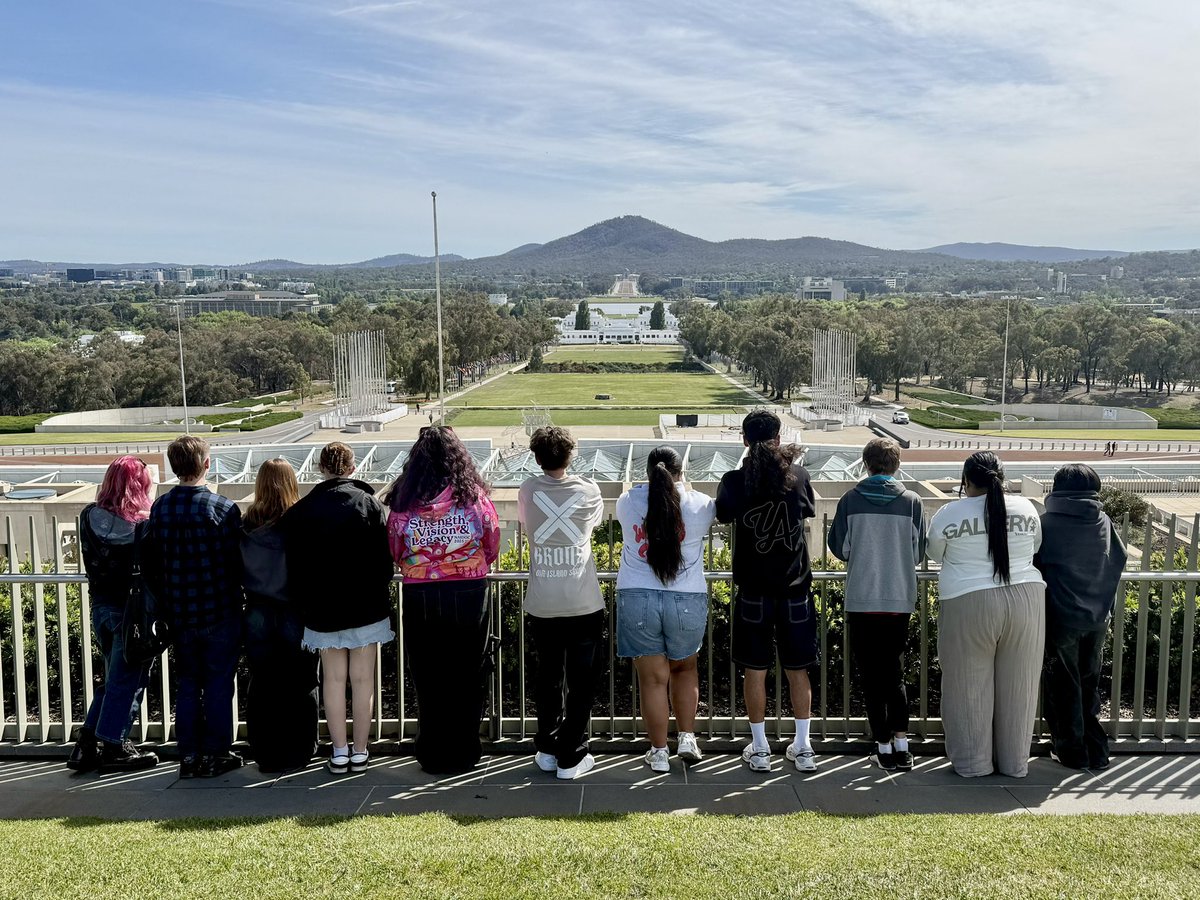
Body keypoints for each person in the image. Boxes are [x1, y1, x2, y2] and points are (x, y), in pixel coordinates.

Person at [386, 426, 500, 774]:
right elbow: (492, 540)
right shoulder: (473, 496)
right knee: (466, 671)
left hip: (419, 593)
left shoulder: (405, 500)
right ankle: (464, 749)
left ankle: (431, 750)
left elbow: (395, 545)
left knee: (427, 672)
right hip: (468, 592)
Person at [927, 451, 1045, 778]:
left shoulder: (951, 513)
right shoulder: (1027, 508)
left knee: (967, 686)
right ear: (1002, 479)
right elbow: (1035, 547)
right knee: (1020, 686)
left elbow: (934, 552)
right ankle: (1015, 763)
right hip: (1027, 599)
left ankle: (972, 763)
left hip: (968, 600)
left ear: (965, 482)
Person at [716, 410, 819, 773]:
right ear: (778, 438)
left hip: (753, 594)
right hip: (795, 592)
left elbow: (723, 515)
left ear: (744, 440)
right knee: (798, 671)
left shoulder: (733, 481)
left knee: (755, 672)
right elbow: (807, 509)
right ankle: (803, 746)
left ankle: (760, 748)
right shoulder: (799, 476)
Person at [286, 442, 394, 775]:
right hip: (365, 606)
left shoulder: (302, 511)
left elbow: (295, 567)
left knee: (332, 681)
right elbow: (385, 563)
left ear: (321, 468)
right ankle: (361, 751)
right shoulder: (369, 505)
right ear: (352, 467)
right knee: (363, 681)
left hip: (321, 609)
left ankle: (339, 751)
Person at [144, 435, 244, 778]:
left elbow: (154, 562)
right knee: (218, 683)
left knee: (188, 683)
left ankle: (188, 754)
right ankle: (217, 753)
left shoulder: (160, 508)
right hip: (220, 610)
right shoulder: (223, 509)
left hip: (180, 612)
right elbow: (237, 562)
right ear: (206, 464)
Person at [828, 438, 926, 772]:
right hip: (899, 599)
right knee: (894, 672)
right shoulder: (912, 502)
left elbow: (840, 548)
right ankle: (902, 743)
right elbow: (917, 552)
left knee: (871, 676)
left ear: (865, 464)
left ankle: (882, 745)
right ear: (896, 465)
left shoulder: (850, 501)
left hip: (862, 598)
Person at [615, 446, 715, 773]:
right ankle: (687, 738)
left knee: (653, 681)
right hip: (685, 597)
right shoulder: (700, 504)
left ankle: (658, 752)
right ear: (681, 471)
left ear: (647, 472)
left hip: (637, 596)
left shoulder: (628, 503)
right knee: (685, 670)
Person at [517, 427, 606, 780]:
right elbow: (593, 525)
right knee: (582, 682)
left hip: (543, 602)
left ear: (537, 458)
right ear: (570, 457)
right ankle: (571, 752)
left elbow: (527, 523)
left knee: (548, 679)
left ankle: (548, 749)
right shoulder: (588, 490)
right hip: (582, 600)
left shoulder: (527, 490)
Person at [70, 456, 160, 774]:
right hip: (131, 615)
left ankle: (86, 745)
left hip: (100, 608)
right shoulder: (142, 527)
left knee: (112, 679)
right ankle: (114, 745)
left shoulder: (87, 516)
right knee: (127, 680)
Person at [1035, 464, 1126, 770]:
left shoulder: (1046, 524)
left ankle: (1071, 750)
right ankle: (1097, 750)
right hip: (1098, 617)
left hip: (1060, 617)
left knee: (1063, 685)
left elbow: (1034, 564)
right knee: (1089, 684)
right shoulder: (1103, 521)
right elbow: (1119, 556)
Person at [240, 458, 319, 773]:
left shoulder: (244, 525)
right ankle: (300, 750)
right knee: (301, 682)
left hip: (257, 610)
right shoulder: (300, 522)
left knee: (262, 683)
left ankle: (265, 751)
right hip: (294, 610)